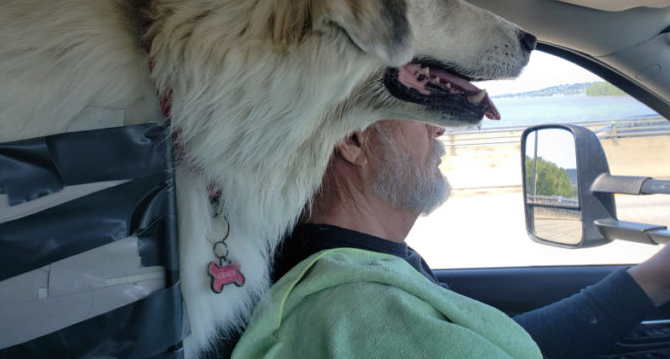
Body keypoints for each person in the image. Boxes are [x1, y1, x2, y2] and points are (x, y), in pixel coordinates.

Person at [232, 119, 670, 359]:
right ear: (354, 139)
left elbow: (504, 344)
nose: (439, 128)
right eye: (418, 110)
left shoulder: (359, 268)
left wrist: (654, 277)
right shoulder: (363, 308)